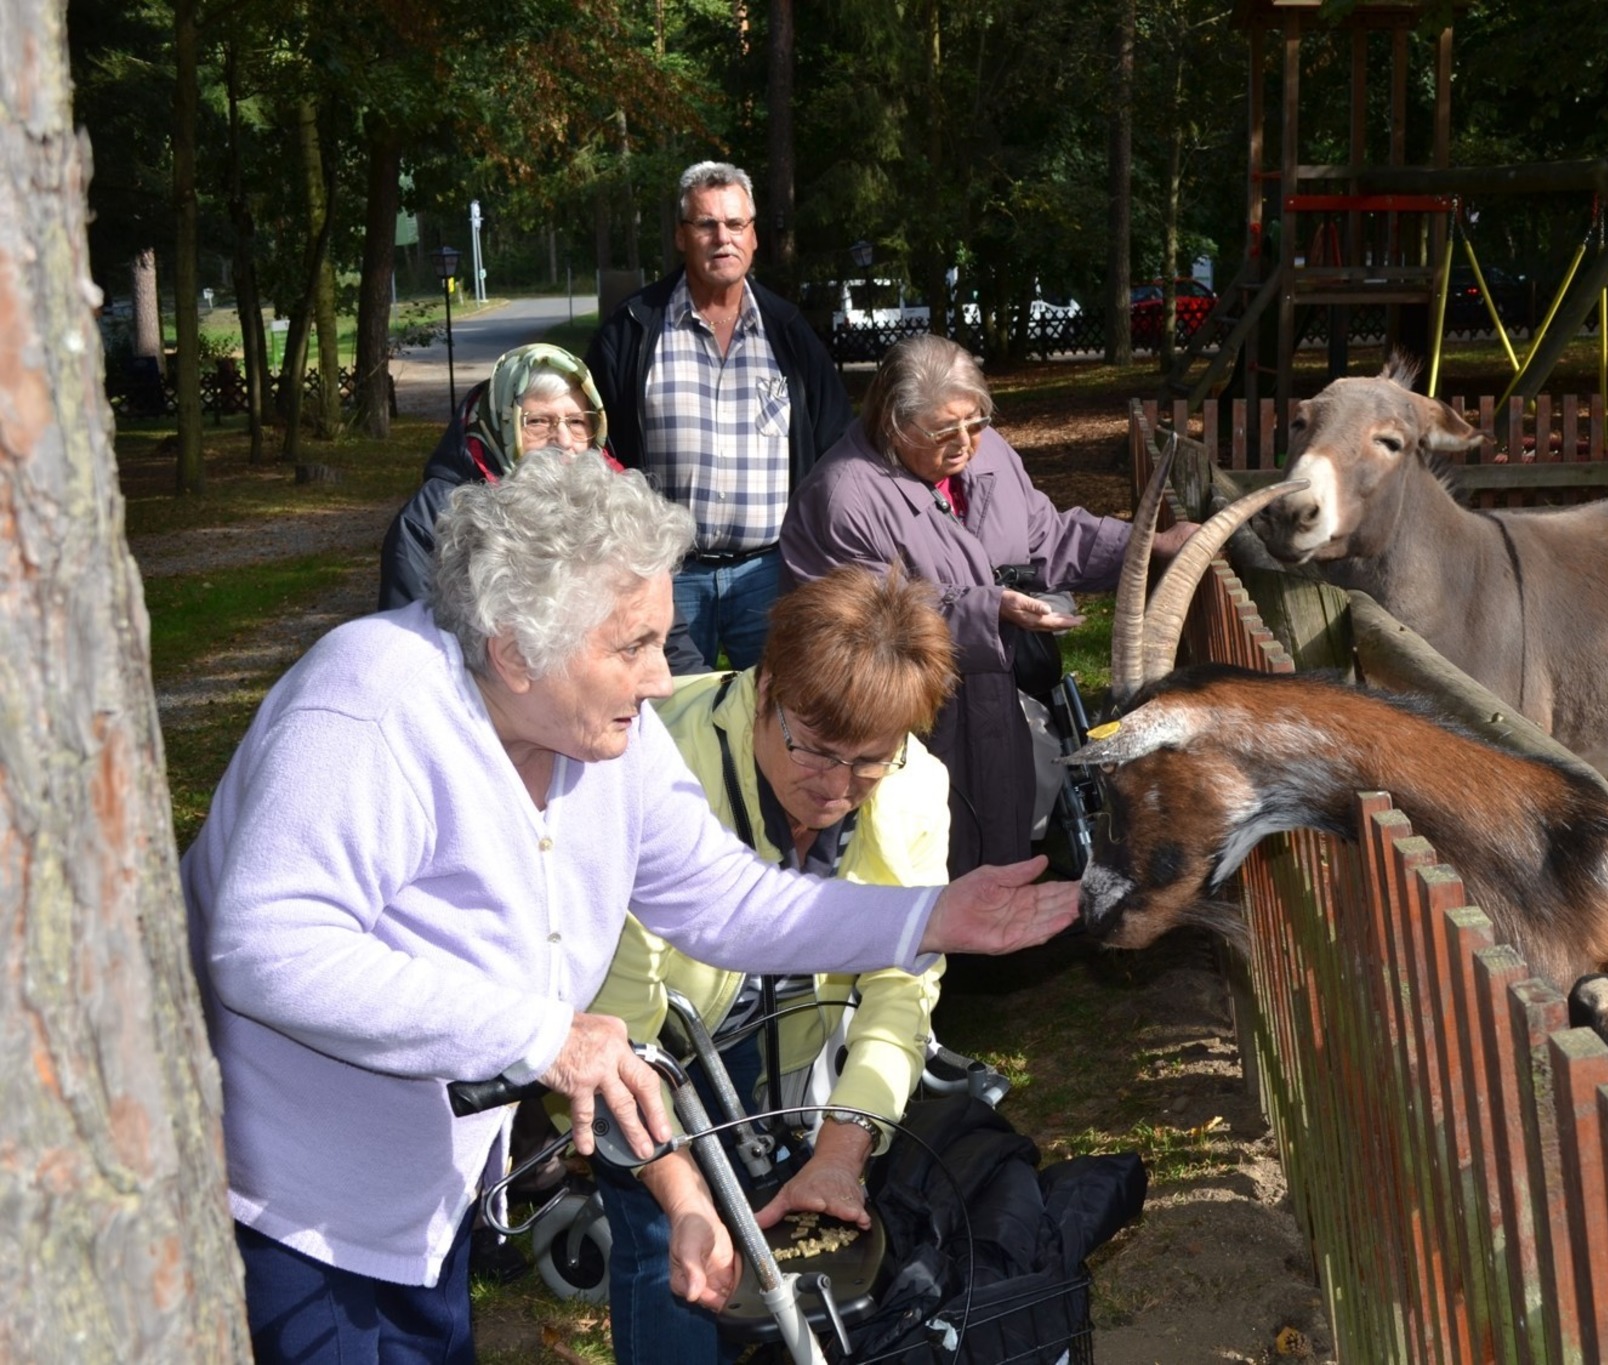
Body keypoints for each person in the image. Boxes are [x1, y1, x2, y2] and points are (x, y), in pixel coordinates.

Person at [180, 446, 1077, 1363]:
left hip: (420, 1195)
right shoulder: (370, 713)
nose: (661, 677)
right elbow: (267, 946)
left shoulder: (606, 735)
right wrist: (545, 1036)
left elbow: (719, 897)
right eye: (633, 645)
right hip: (300, 1204)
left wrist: (923, 918)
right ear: (515, 649)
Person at [585, 565, 956, 1364]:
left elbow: (901, 991)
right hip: (655, 1044)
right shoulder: (650, 759)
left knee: (785, 1247)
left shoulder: (916, 785)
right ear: (766, 688)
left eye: (869, 762)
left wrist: (840, 1149)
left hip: (782, 1053)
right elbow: (620, 1023)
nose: (836, 789)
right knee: (671, 1252)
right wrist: (682, 1189)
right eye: (816, 751)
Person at [781, 334, 1200, 876]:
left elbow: (1047, 536)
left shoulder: (991, 453)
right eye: (943, 430)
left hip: (997, 708)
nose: (965, 443)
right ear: (892, 424)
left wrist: (1146, 545)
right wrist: (989, 611)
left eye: (975, 423)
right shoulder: (842, 497)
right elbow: (858, 629)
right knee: (913, 864)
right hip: (909, 730)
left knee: (1002, 851)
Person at [586, 160, 852, 672]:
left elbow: (835, 446)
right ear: (682, 237)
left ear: (754, 238)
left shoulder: (788, 331)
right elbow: (597, 450)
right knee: (667, 719)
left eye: (735, 225)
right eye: (706, 224)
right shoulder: (635, 329)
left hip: (769, 573)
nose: (722, 238)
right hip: (664, 575)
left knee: (777, 717)